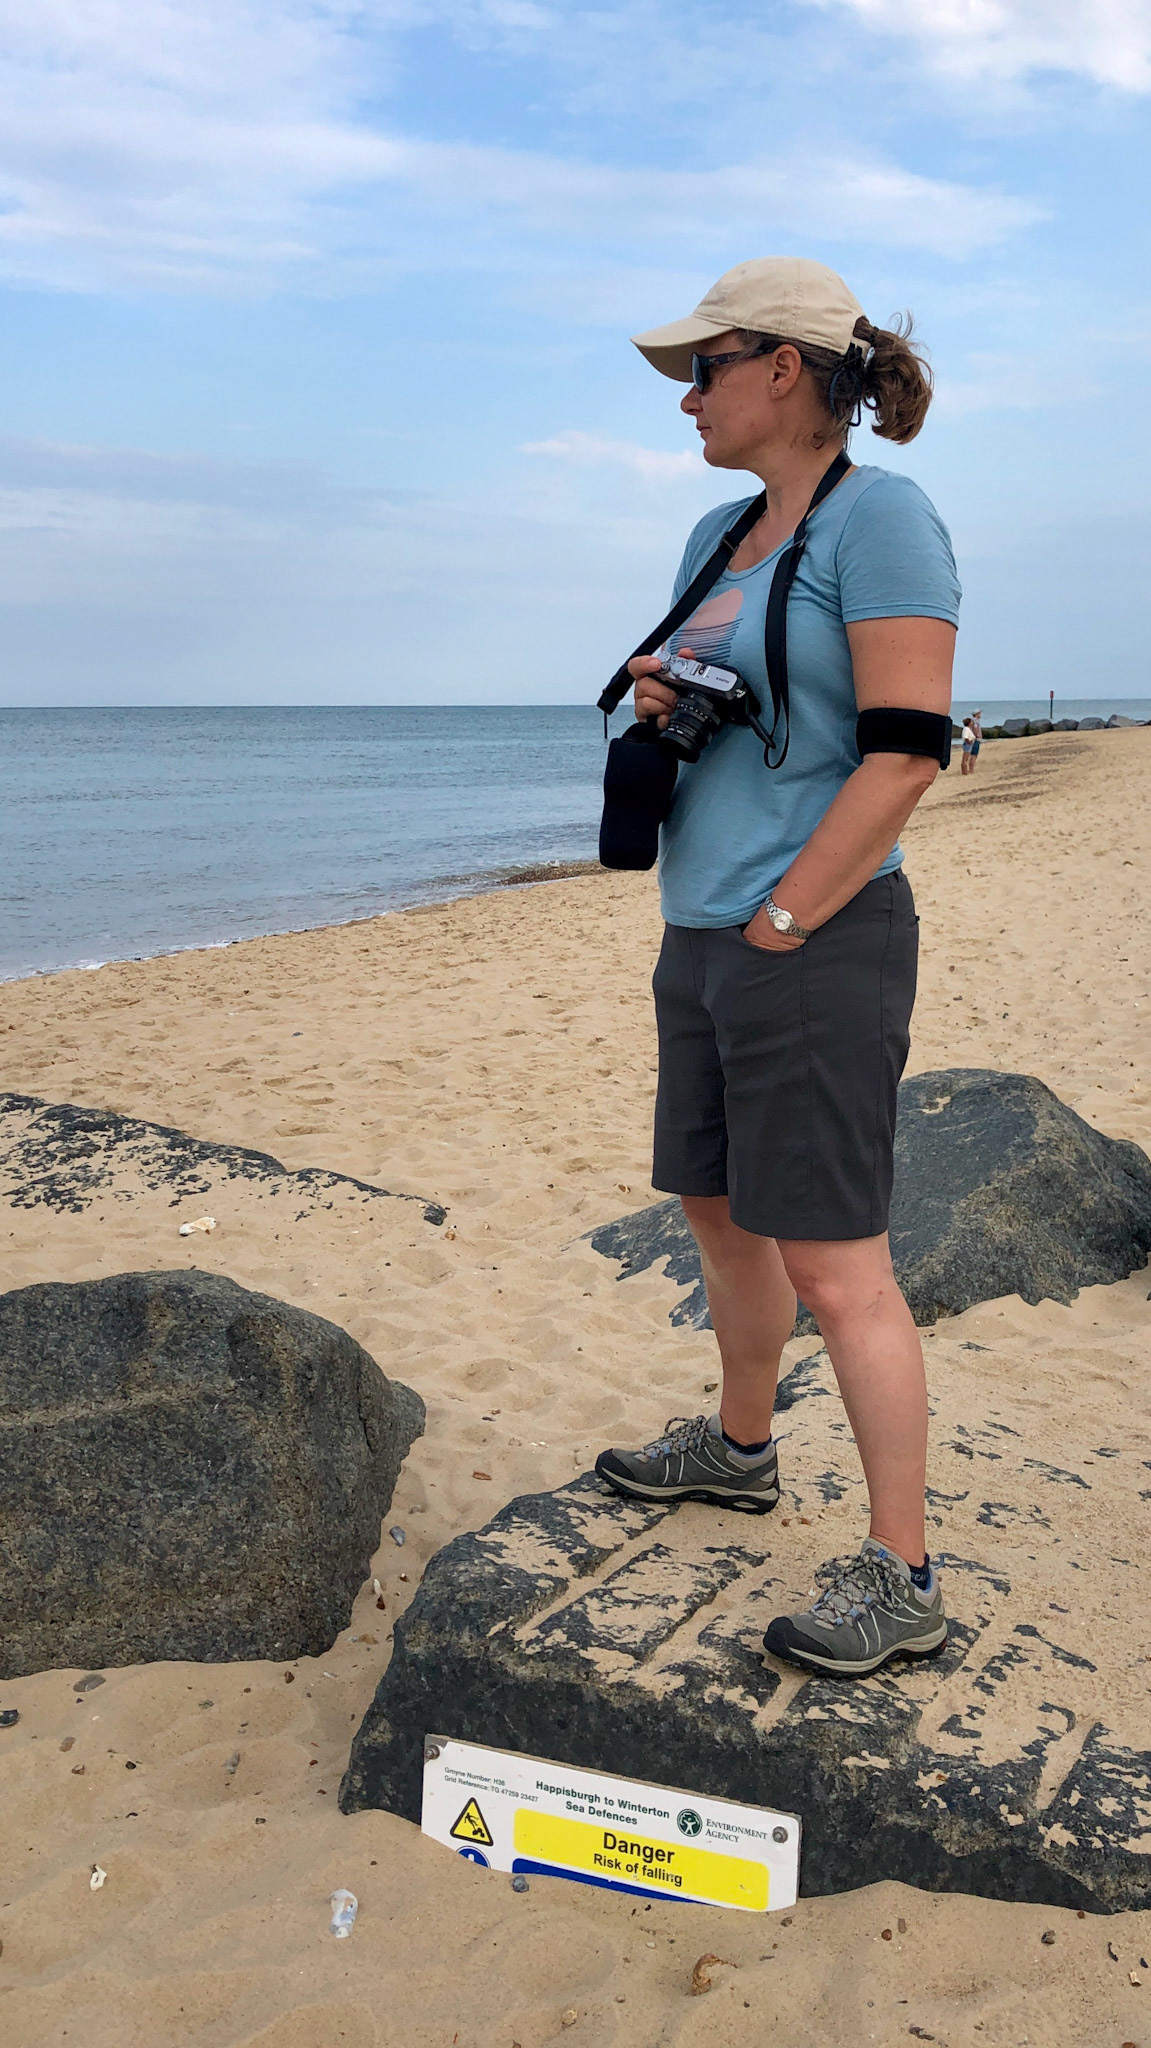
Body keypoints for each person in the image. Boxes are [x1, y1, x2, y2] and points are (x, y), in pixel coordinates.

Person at [594, 256, 960, 1678]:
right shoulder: (719, 530)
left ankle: (903, 1570)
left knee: (835, 1259)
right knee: (717, 1209)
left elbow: (906, 752)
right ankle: (742, 1451)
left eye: (705, 369)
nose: (688, 397)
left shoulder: (885, 519)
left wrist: (790, 920)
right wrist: (662, 699)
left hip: (812, 936)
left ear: (785, 368)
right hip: (703, 927)